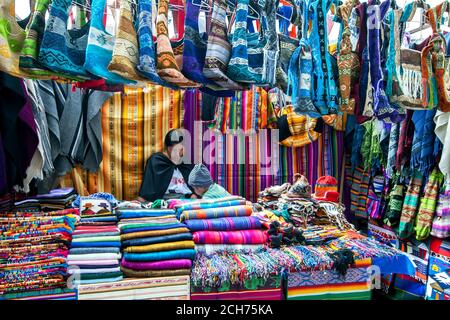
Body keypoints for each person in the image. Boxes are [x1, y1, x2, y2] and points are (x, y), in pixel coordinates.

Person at [138, 129, 194, 202]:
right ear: (169, 149)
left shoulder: (186, 162)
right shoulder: (157, 161)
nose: (182, 151)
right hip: (163, 200)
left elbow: (197, 187)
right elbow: (147, 189)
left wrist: (195, 195)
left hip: (186, 201)